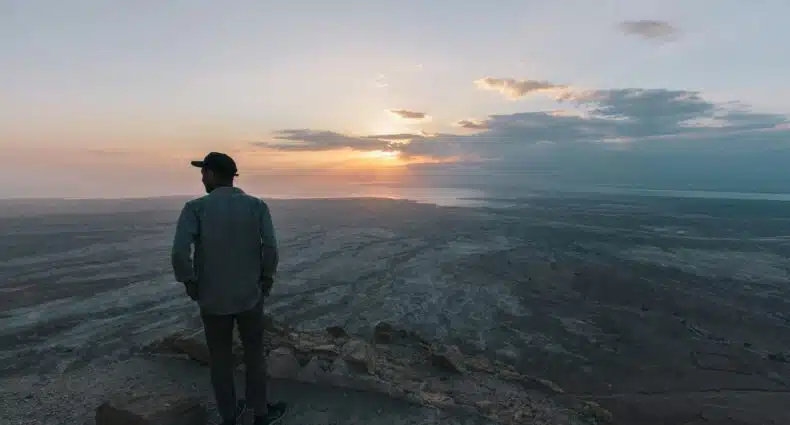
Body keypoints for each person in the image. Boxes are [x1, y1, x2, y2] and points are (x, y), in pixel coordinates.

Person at [171, 152, 287, 425]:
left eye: (203, 172)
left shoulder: (195, 208)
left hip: (213, 298)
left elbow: (179, 252)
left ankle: (229, 416)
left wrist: (190, 281)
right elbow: (270, 247)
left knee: (220, 360)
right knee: (254, 355)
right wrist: (266, 278)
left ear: (211, 174)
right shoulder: (257, 206)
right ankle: (260, 414)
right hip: (249, 295)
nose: (201, 178)